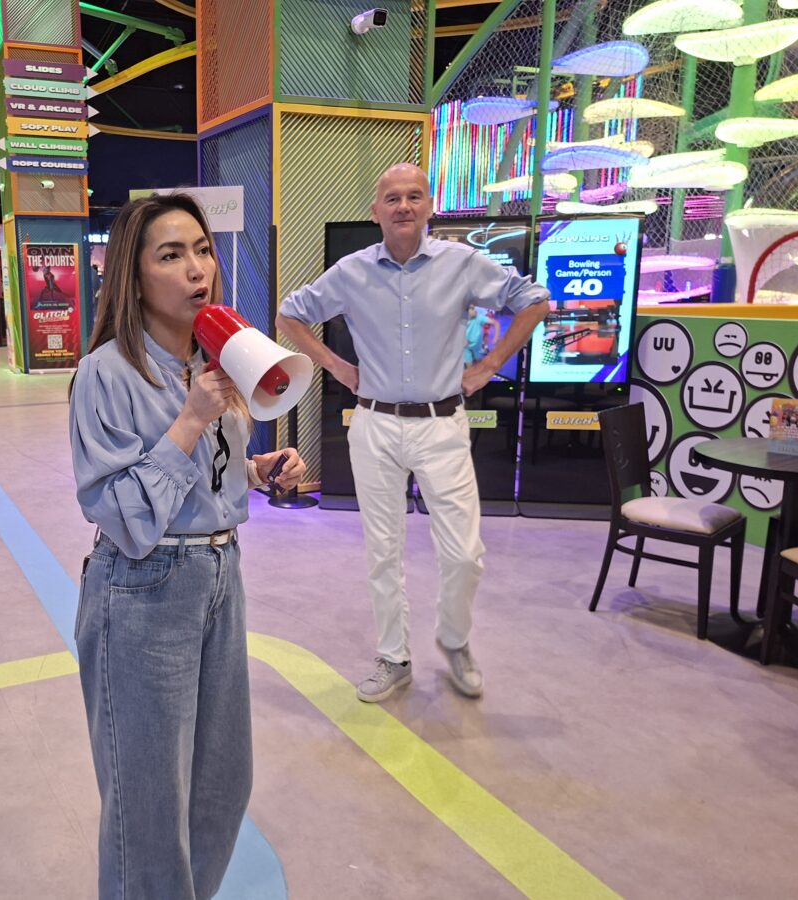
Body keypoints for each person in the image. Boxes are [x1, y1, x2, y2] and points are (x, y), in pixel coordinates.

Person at [69, 193, 306, 899]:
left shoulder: (217, 359)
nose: (197, 268)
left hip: (220, 575)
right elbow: (119, 511)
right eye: (171, 255)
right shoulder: (107, 373)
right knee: (147, 808)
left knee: (222, 785)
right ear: (134, 276)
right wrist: (190, 421)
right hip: (144, 586)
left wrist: (257, 472)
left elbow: (204, 475)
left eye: (201, 250)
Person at [276, 163, 548, 701]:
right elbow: (290, 314)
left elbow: (535, 300)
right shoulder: (351, 271)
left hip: (442, 426)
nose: (403, 206)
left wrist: (490, 364)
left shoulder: (462, 264)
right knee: (383, 551)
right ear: (375, 211)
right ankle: (393, 656)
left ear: (429, 208)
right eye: (392, 198)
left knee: (464, 554)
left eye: (414, 196)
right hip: (374, 425)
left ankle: (454, 639)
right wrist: (337, 366)